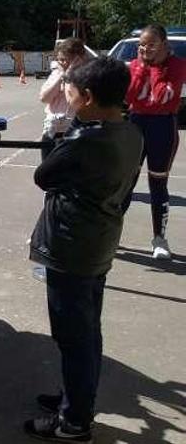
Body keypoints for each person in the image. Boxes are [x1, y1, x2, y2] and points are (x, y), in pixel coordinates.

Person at [24, 57, 143, 442]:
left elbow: (44, 175)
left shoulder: (85, 140)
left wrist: (68, 131)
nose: (66, 97)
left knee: (74, 338)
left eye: (70, 93)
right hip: (99, 243)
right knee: (87, 331)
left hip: (71, 249)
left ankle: (74, 421)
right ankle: (72, 399)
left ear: (88, 98)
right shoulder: (131, 134)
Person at [123, 24, 186, 260]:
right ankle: (111, 231)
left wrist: (155, 68)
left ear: (164, 44)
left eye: (150, 44)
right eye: (141, 45)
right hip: (136, 123)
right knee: (125, 181)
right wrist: (141, 69)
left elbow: (161, 98)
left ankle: (159, 238)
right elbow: (129, 97)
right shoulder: (136, 65)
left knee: (157, 184)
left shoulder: (178, 66)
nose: (145, 49)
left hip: (162, 126)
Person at [39, 38, 87, 160]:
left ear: (78, 59)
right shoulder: (57, 74)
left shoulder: (85, 76)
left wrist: (68, 77)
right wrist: (61, 77)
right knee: (48, 166)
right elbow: (44, 98)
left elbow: (75, 102)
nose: (61, 63)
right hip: (52, 127)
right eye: (59, 59)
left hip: (74, 129)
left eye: (65, 60)